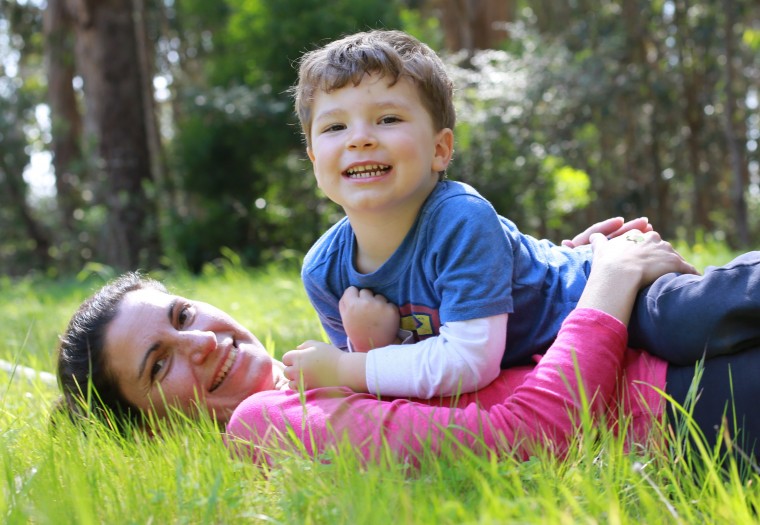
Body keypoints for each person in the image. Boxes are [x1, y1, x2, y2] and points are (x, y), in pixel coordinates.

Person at [285, 28, 760, 400]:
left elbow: (470, 362)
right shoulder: (325, 271)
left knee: (687, 324)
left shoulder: (458, 219)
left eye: (388, 119)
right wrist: (371, 342)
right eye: (335, 126)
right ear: (312, 158)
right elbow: (391, 387)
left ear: (440, 149)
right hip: (548, 353)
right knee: (713, 373)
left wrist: (347, 366)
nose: (359, 138)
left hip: (592, 295)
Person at [56, 231, 760, 463]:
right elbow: (528, 430)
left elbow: (478, 360)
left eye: (180, 313)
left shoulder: (326, 367)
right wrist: (605, 284)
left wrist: (557, 271)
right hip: (670, 408)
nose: (201, 340)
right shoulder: (263, 425)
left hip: (662, 359)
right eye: (160, 363)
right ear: (149, 427)